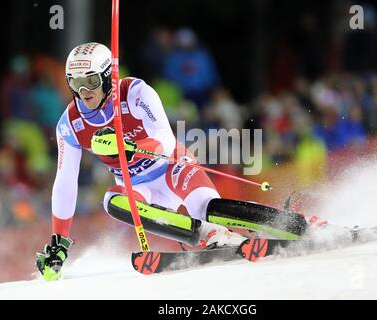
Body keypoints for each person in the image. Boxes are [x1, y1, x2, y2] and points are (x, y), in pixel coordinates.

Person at [36, 42, 244, 281]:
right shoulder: (70, 124)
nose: (84, 91)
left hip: (172, 168)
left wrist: (131, 148)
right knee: (112, 201)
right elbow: (65, 182)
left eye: (91, 81)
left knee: (206, 207)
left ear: (106, 77)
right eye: (75, 82)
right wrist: (59, 240)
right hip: (138, 187)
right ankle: (210, 235)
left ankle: (264, 223)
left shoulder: (135, 93)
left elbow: (165, 139)